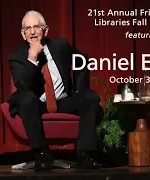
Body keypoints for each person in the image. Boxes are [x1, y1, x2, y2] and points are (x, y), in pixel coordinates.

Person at [7, 10, 101, 171]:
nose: (32, 32)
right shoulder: (16, 56)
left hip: (63, 100)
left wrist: (79, 89)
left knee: (90, 97)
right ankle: (42, 154)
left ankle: (85, 155)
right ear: (23, 34)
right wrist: (32, 58)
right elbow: (23, 86)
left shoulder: (60, 46)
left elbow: (82, 58)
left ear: (46, 30)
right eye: (28, 29)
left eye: (36, 27)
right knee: (27, 98)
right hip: (36, 103)